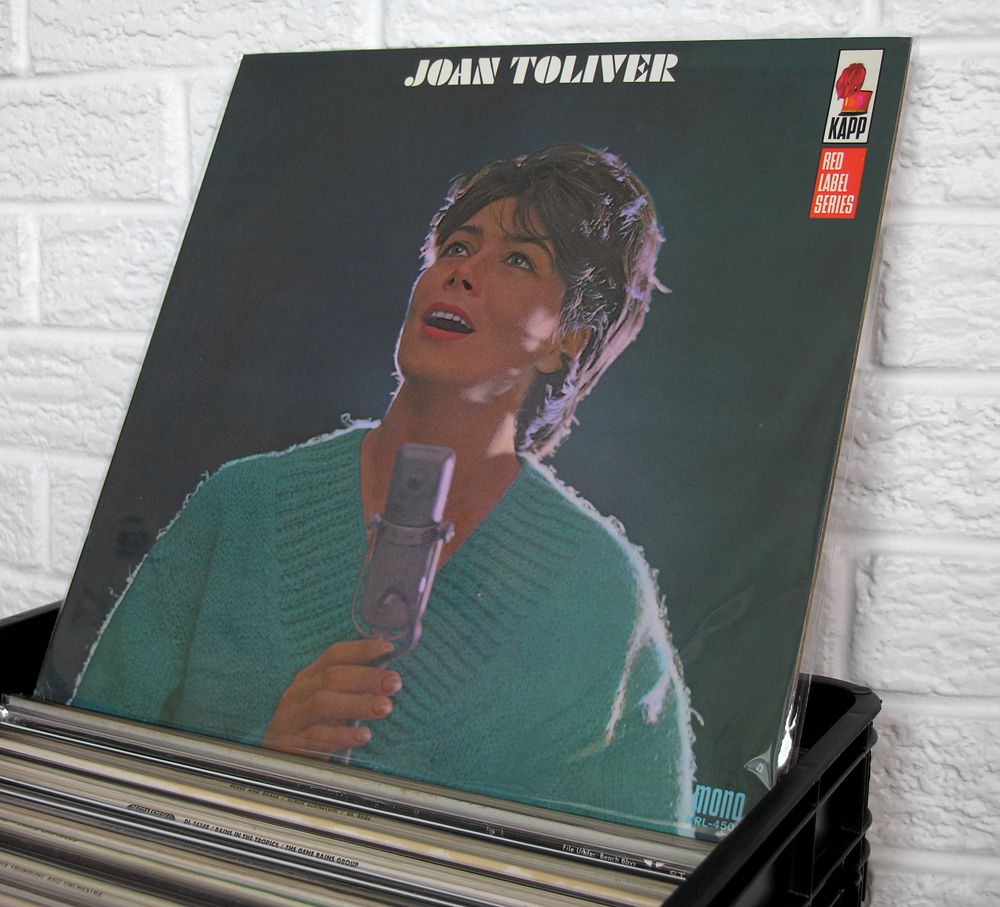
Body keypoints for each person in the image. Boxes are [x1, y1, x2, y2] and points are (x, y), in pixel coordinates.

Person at [73, 144, 696, 833]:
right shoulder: (239, 506)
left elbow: (639, 863)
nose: (462, 272)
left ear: (568, 336)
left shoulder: (598, 589)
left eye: (519, 260)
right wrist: (259, 767)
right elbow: (86, 781)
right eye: (457, 246)